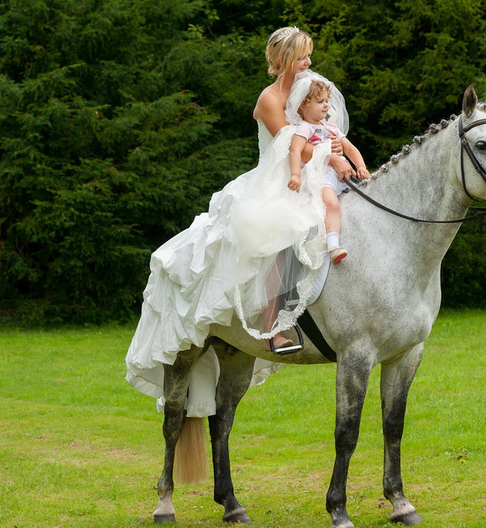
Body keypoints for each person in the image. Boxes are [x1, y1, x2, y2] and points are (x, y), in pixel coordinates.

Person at [126, 27, 354, 417]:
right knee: (284, 227)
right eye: (302, 58)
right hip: (281, 179)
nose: (309, 64)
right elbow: (291, 148)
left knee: (345, 214)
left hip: (312, 177)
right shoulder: (269, 99)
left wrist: (339, 149)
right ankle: (273, 320)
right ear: (282, 60)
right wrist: (330, 154)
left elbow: (326, 128)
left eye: (309, 57)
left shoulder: (311, 88)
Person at [287, 78, 370, 264]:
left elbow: (350, 149)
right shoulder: (304, 128)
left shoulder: (331, 127)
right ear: (303, 105)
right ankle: (333, 245)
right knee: (331, 204)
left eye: (326, 101)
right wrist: (295, 174)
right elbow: (295, 150)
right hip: (322, 176)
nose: (325, 106)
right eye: (319, 102)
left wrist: (361, 166)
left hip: (344, 174)